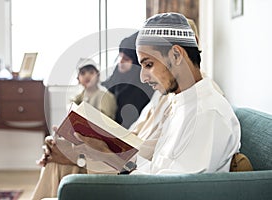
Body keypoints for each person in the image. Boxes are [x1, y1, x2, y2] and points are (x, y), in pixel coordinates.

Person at [75, 12, 241, 174]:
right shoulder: (179, 105)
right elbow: (156, 168)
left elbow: (171, 189)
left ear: (176, 55)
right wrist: (105, 152)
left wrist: (109, 156)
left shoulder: (207, 113)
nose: (143, 77)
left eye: (148, 65)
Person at [31, 58, 117, 200]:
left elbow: (105, 126)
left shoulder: (105, 96)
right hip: (81, 140)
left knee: (57, 155)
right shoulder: (77, 98)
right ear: (78, 79)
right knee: (53, 143)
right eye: (83, 73)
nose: (87, 76)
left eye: (91, 72)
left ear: (98, 75)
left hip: (98, 143)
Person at [102, 31, 154, 128]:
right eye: (120, 56)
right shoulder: (118, 74)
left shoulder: (143, 88)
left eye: (126, 59)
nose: (120, 61)